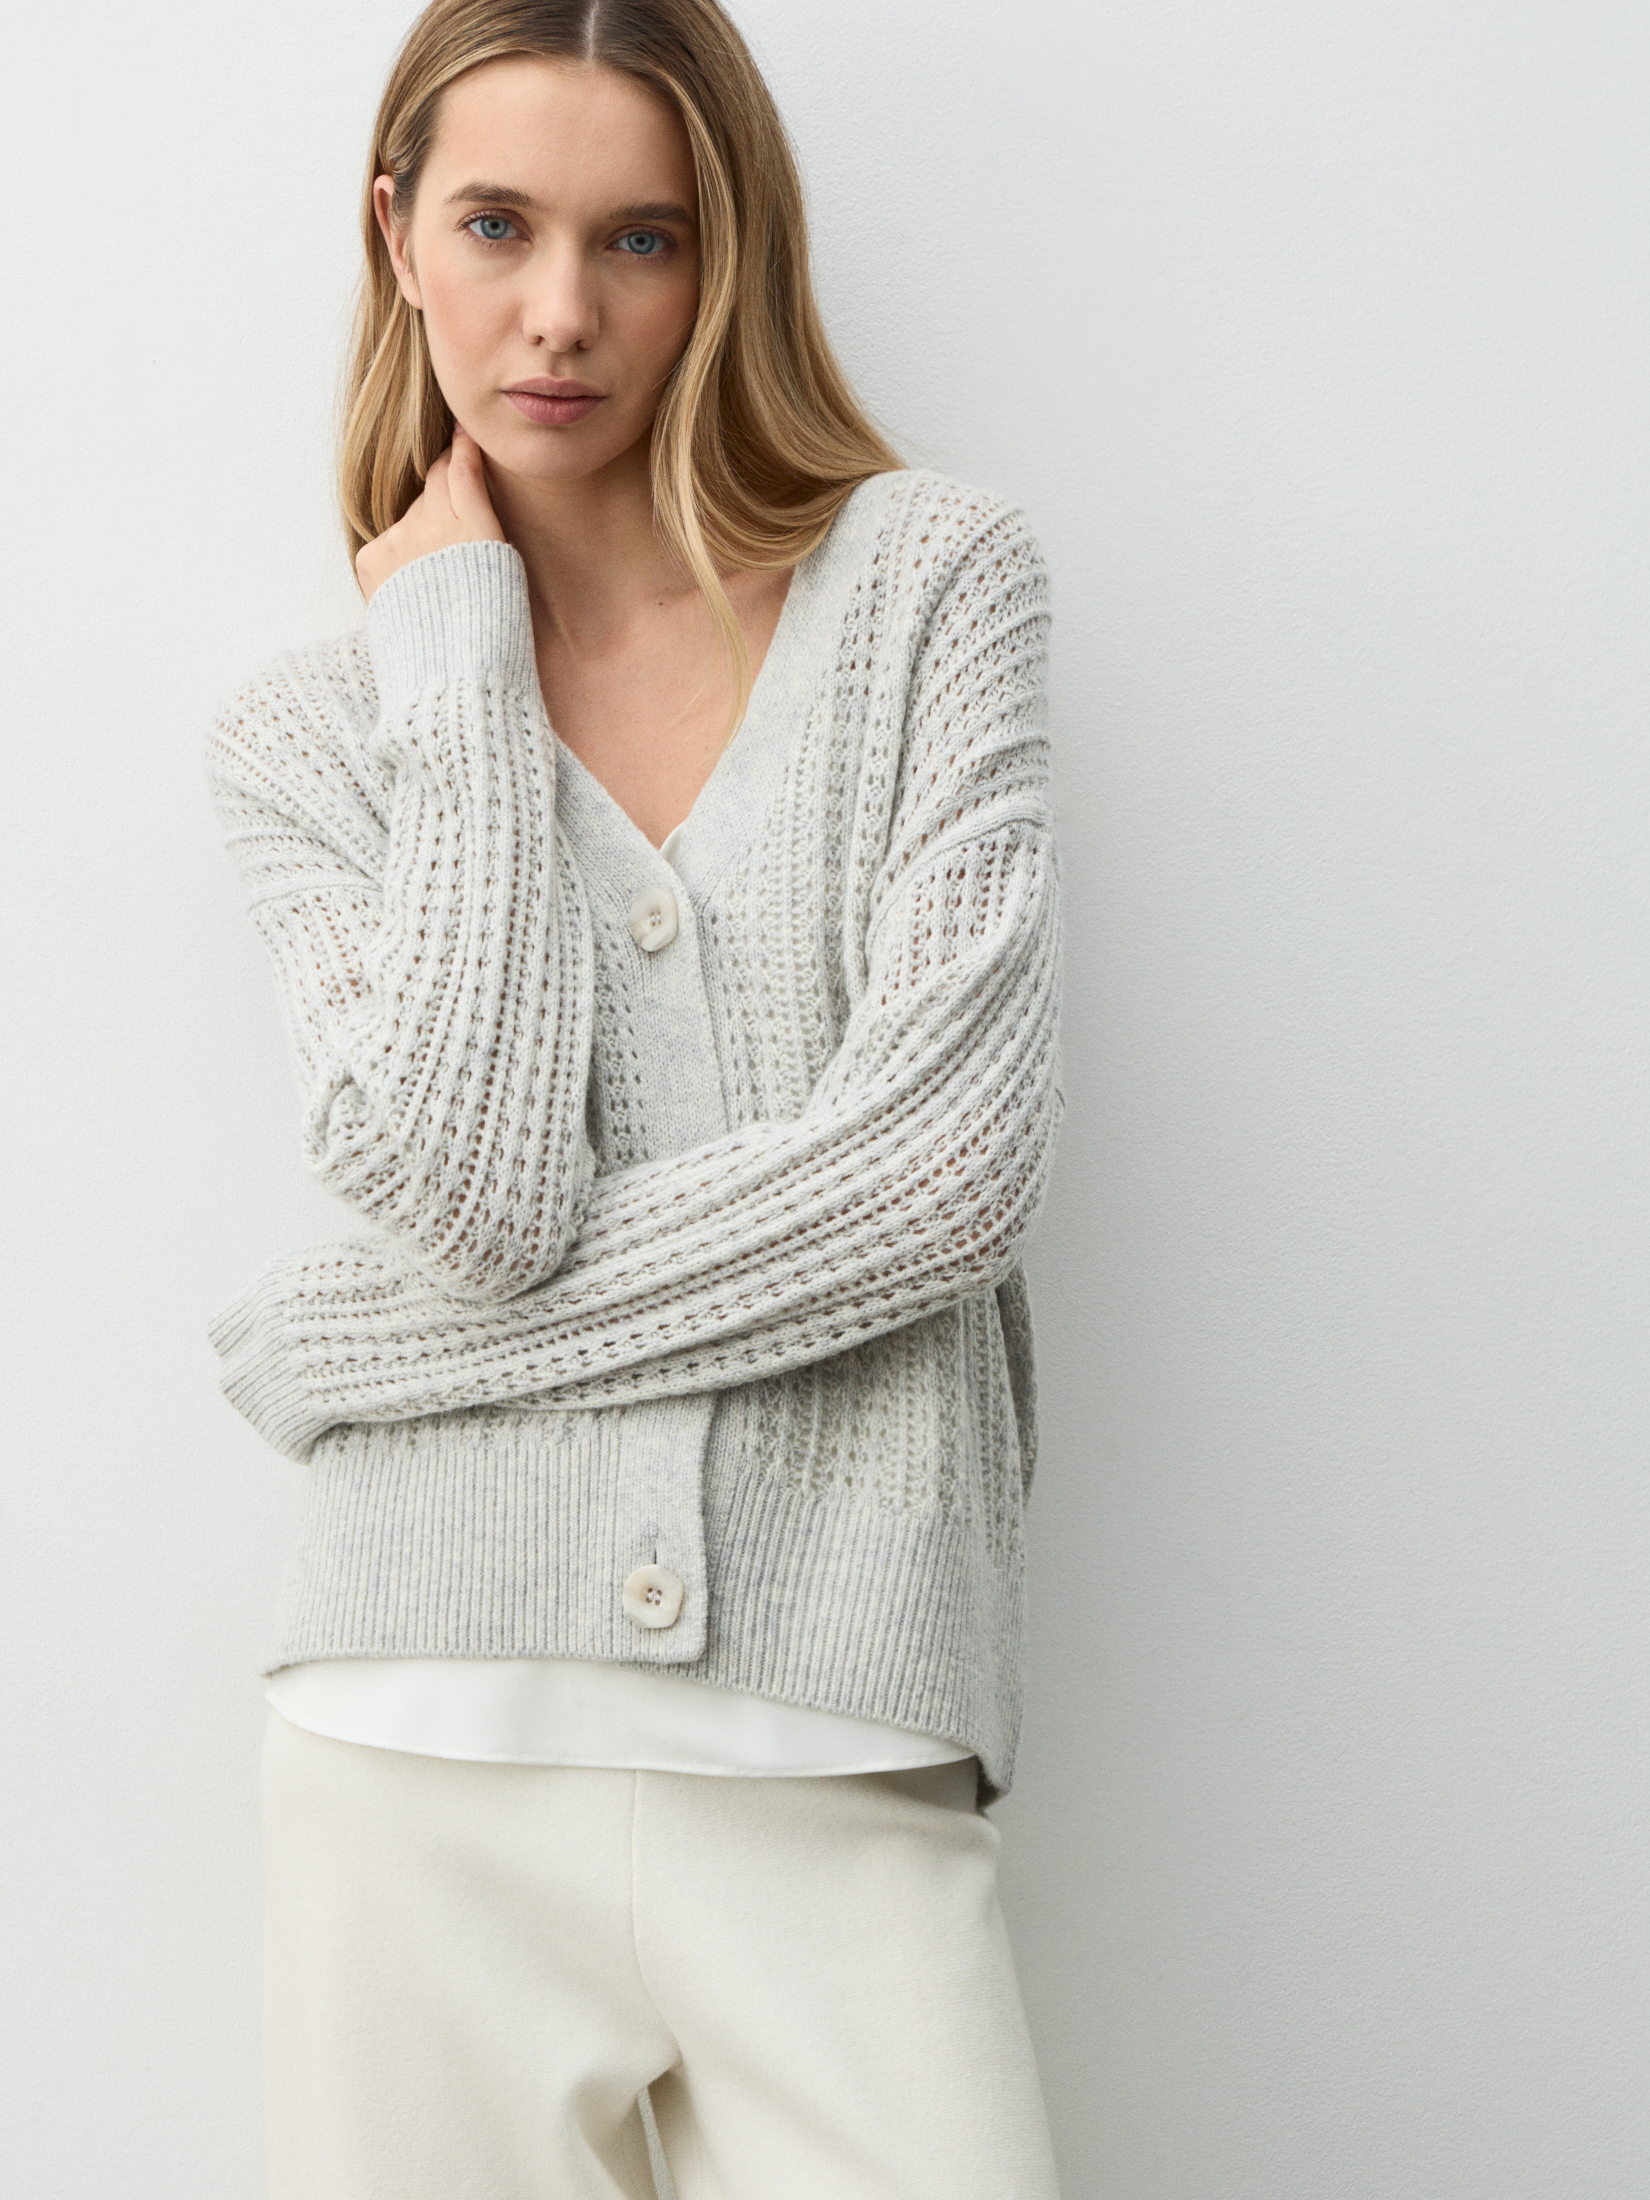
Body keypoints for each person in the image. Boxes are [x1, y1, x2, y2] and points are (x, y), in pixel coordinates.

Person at [204, 1, 1067, 2193]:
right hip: (412, 1752)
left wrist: (379, 1353)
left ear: (724, 257)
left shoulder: (929, 591)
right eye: (498, 225)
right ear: (397, 236)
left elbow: (943, 1180)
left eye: (640, 238)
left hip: (838, 1735)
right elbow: (468, 1186)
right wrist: (455, 662)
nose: (563, 313)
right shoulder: (312, 739)